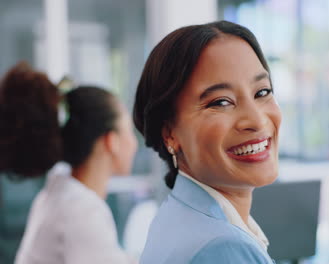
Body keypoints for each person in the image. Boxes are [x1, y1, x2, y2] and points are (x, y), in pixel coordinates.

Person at [133, 20, 282, 263]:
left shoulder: (179, 217)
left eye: (262, 92)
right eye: (221, 102)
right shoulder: (223, 247)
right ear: (169, 132)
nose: (256, 120)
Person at [0, 62, 138, 264]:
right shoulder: (81, 210)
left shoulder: (60, 193)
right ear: (112, 141)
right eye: (129, 131)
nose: (135, 142)